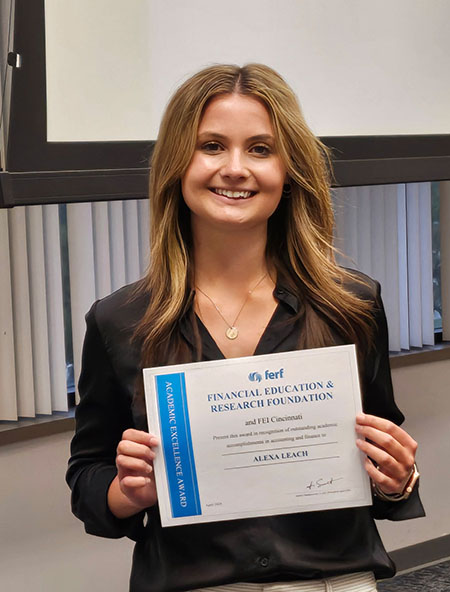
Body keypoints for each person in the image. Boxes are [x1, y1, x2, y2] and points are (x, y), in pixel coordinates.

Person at [66, 63, 424, 592]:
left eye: (260, 149)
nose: (235, 168)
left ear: (289, 170)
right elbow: (88, 472)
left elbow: (380, 455)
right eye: (211, 145)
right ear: (176, 164)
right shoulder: (121, 320)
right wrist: (125, 492)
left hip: (332, 581)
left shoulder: (352, 304)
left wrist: (398, 479)